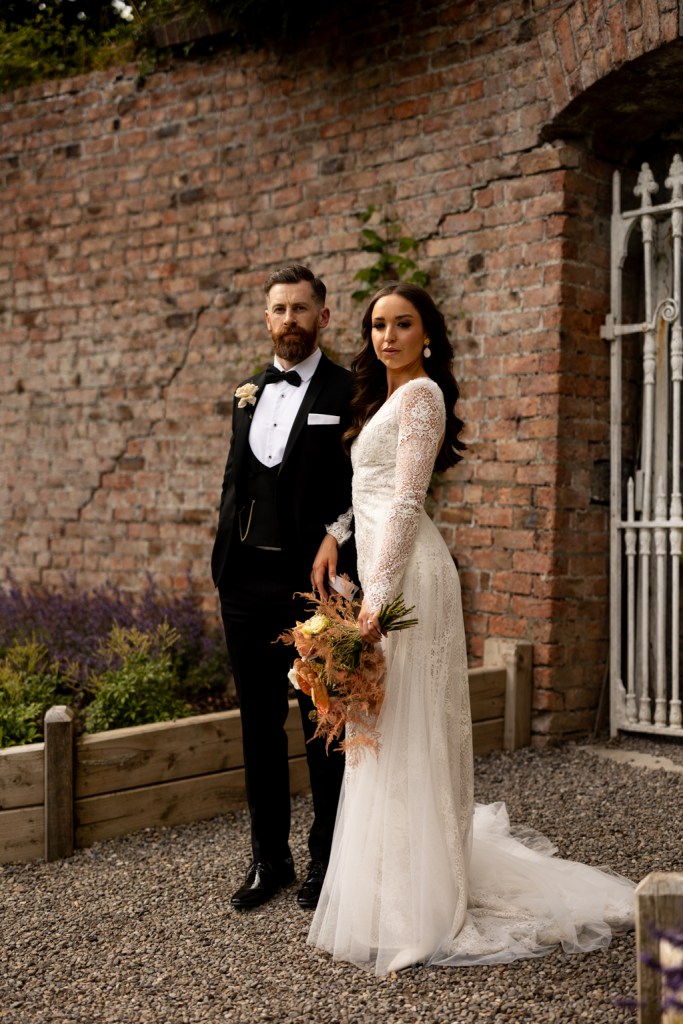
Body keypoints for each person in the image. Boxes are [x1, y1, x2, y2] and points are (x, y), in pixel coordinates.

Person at [308, 282, 634, 975]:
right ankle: (393, 882)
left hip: (409, 584)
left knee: (407, 728)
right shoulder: (385, 399)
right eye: (377, 326)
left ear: (427, 335)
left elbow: (403, 499)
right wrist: (336, 538)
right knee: (384, 731)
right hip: (382, 574)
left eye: (402, 325)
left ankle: (427, 902)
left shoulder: (423, 395)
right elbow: (366, 493)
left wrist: (378, 603)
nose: (387, 336)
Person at [211, 264, 354, 911]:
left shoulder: (347, 390)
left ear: (323, 317)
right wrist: (223, 564)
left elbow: (362, 488)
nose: (288, 321)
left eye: (300, 309)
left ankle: (329, 862)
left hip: (312, 587)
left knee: (323, 727)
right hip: (243, 584)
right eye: (278, 310)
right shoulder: (247, 391)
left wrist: (341, 554)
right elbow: (235, 481)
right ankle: (270, 861)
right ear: (265, 317)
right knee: (258, 728)